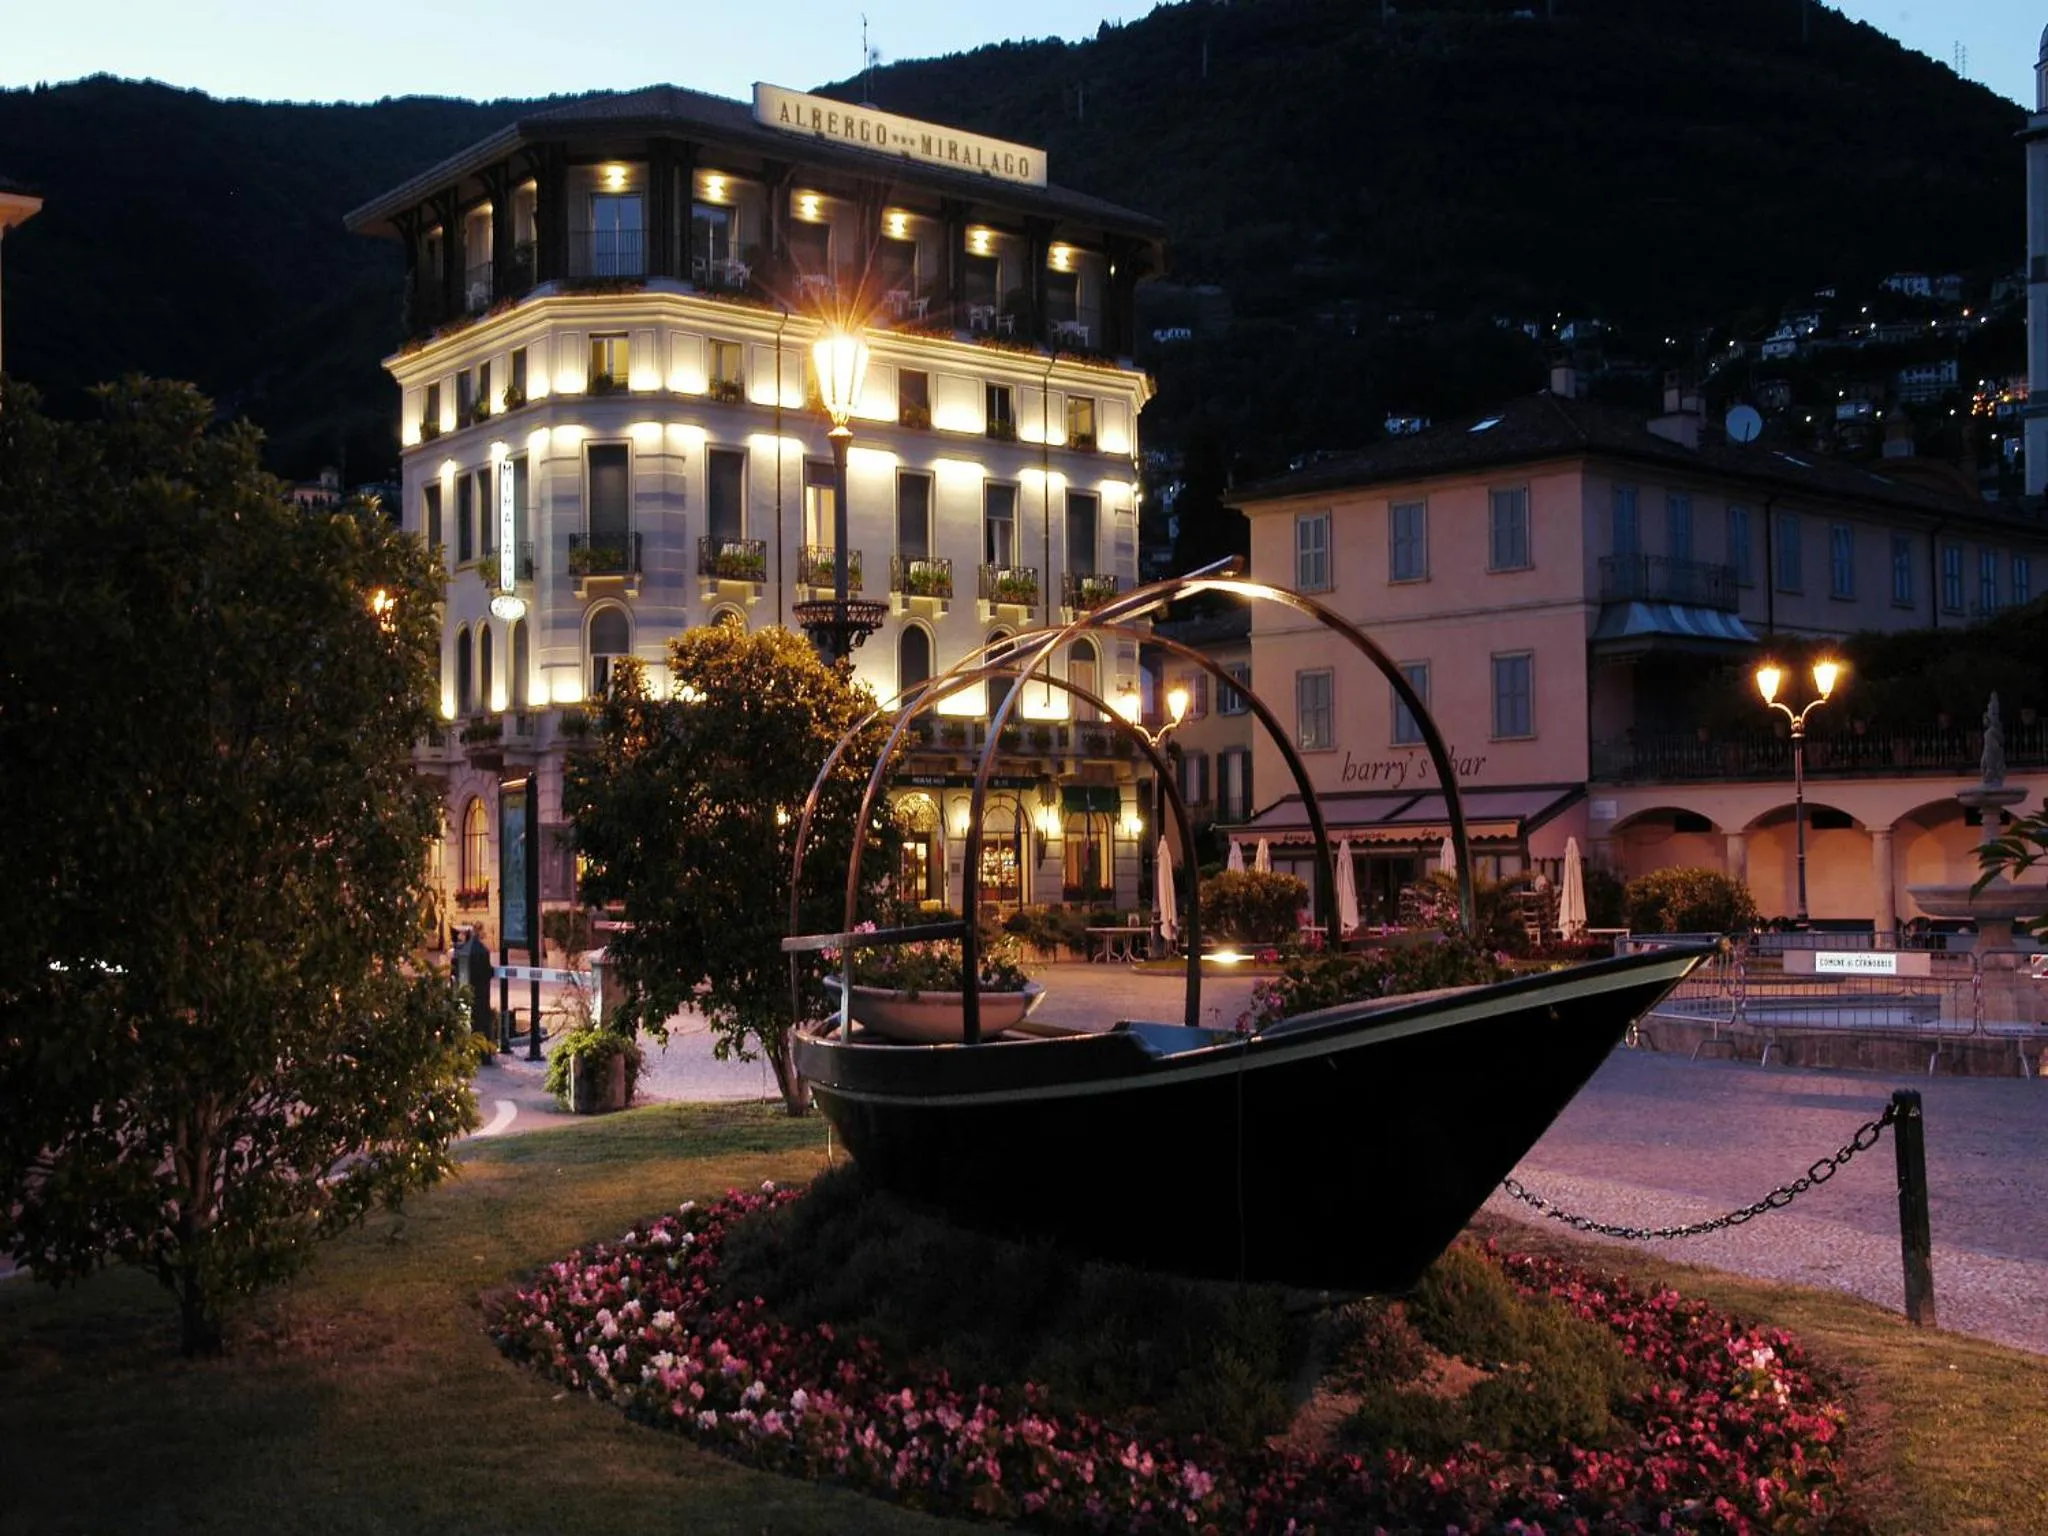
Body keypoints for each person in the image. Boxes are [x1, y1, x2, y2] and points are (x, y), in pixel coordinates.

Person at [460, 927, 494, 1040]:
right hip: (482, 999)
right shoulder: (482, 952)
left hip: (469, 998)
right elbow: (488, 972)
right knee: (481, 1017)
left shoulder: (464, 953)